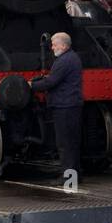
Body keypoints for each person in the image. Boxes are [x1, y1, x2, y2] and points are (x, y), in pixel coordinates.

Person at [30, 32, 84, 181]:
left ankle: (69, 178)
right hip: (70, 104)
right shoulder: (71, 57)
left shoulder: (64, 60)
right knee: (72, 142)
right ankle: (75, 174)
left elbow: (51, 82)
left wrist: (31, 85)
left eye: (54, 44)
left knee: (65, 143)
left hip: (64, 106)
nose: (52, 47)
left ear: (64, 45)